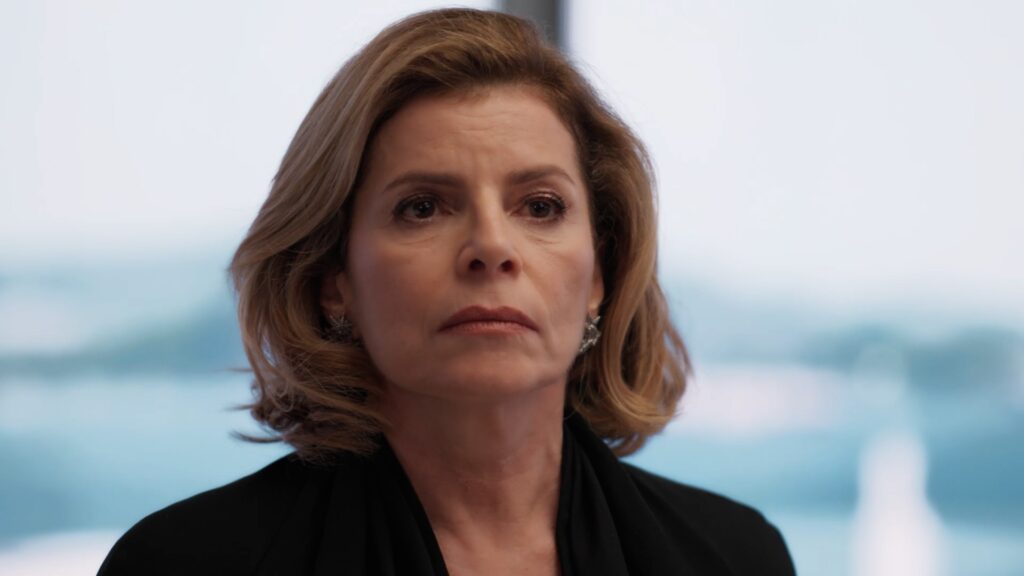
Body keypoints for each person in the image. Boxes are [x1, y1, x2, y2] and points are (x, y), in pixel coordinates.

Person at [98, 8, 795, 576]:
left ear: (599, 276)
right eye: (423, 208)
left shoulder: (736, 558)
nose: (491, 247)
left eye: (540, 207)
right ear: (333, 279)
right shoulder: (183, 564)